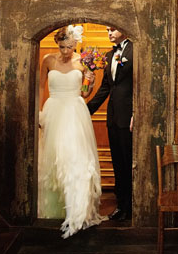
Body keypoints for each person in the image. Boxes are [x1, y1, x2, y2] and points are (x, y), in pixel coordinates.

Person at [37, 25, 105, 238]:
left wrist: (90, 83)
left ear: (75, 44)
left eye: (69, 47)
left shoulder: (82, 61)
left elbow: (84, 94)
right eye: (62, 46)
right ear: (57, 44)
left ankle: (78, 211)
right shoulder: (48, 60)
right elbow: (40, 87)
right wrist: (38, 112)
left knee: (75, 159)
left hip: (75, 111)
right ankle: (54, 209)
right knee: (54, 158)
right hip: (54, 109)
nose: (65, 51)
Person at [87, 27, 134, 221]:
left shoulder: (136, 49)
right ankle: (120, 205)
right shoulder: (109, 54)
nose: (109, 32)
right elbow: (106, 87)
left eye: (113, 29)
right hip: (113, 117)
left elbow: (142, 83)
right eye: (107, 30)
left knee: (129, 162)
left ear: (124, 29)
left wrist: (137, 113)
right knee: (117, 163)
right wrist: (86, 110)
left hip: (129, 118)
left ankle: (132, 207)